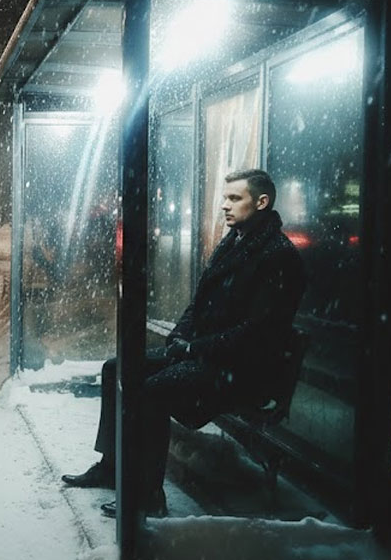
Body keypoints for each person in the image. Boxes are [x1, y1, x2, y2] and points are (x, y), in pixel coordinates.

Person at [60, 168, 306, 518]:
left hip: (241, 371)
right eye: (225, 198)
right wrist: (180, 335)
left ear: (262, 202)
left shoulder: (277, 256)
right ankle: (112, 468)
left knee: (151, 391)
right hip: (209, 357)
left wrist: (194, 348)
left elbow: (257, 333)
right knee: (116, 368)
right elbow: (200, 302)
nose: (224, 206)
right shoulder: (235, 242)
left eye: (235, 198)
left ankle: (148, 496)